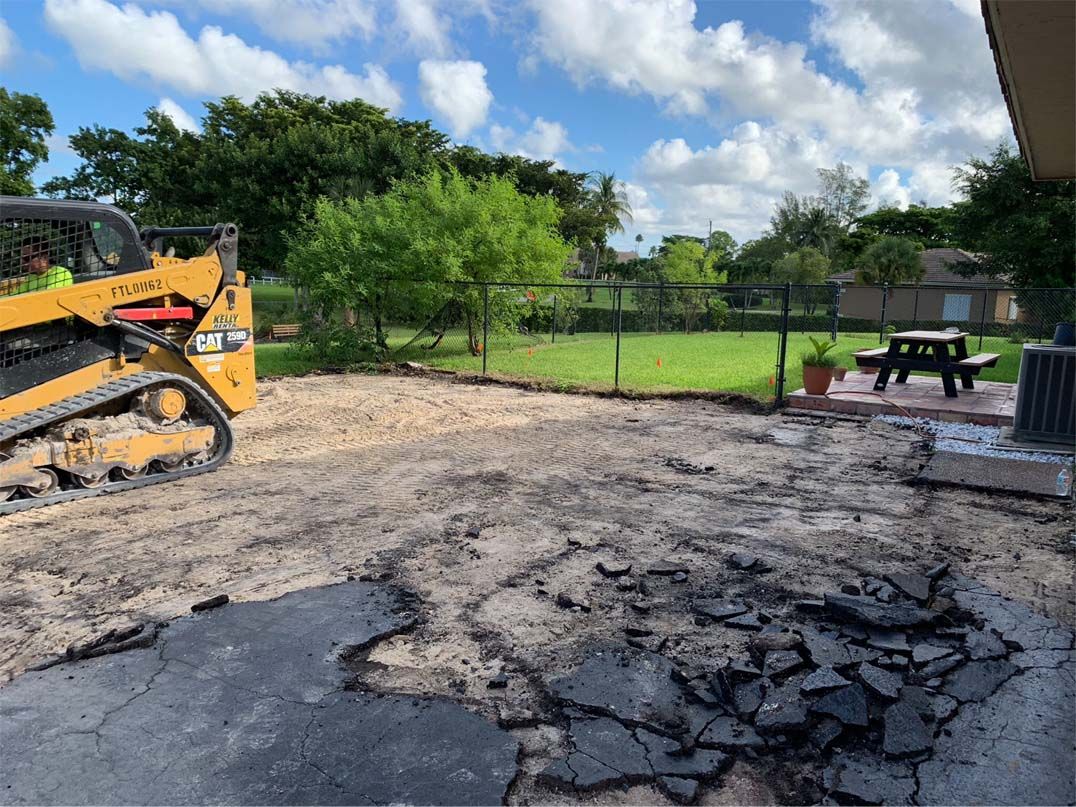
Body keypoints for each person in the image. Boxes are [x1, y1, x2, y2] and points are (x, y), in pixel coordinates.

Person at [0, 238, 74, 296]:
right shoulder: (32, 277)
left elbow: (46, 299)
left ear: (44, 258)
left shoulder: (60, 274)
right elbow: (15, 296)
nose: (22, 262)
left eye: (27, 258)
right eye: (21, 258)